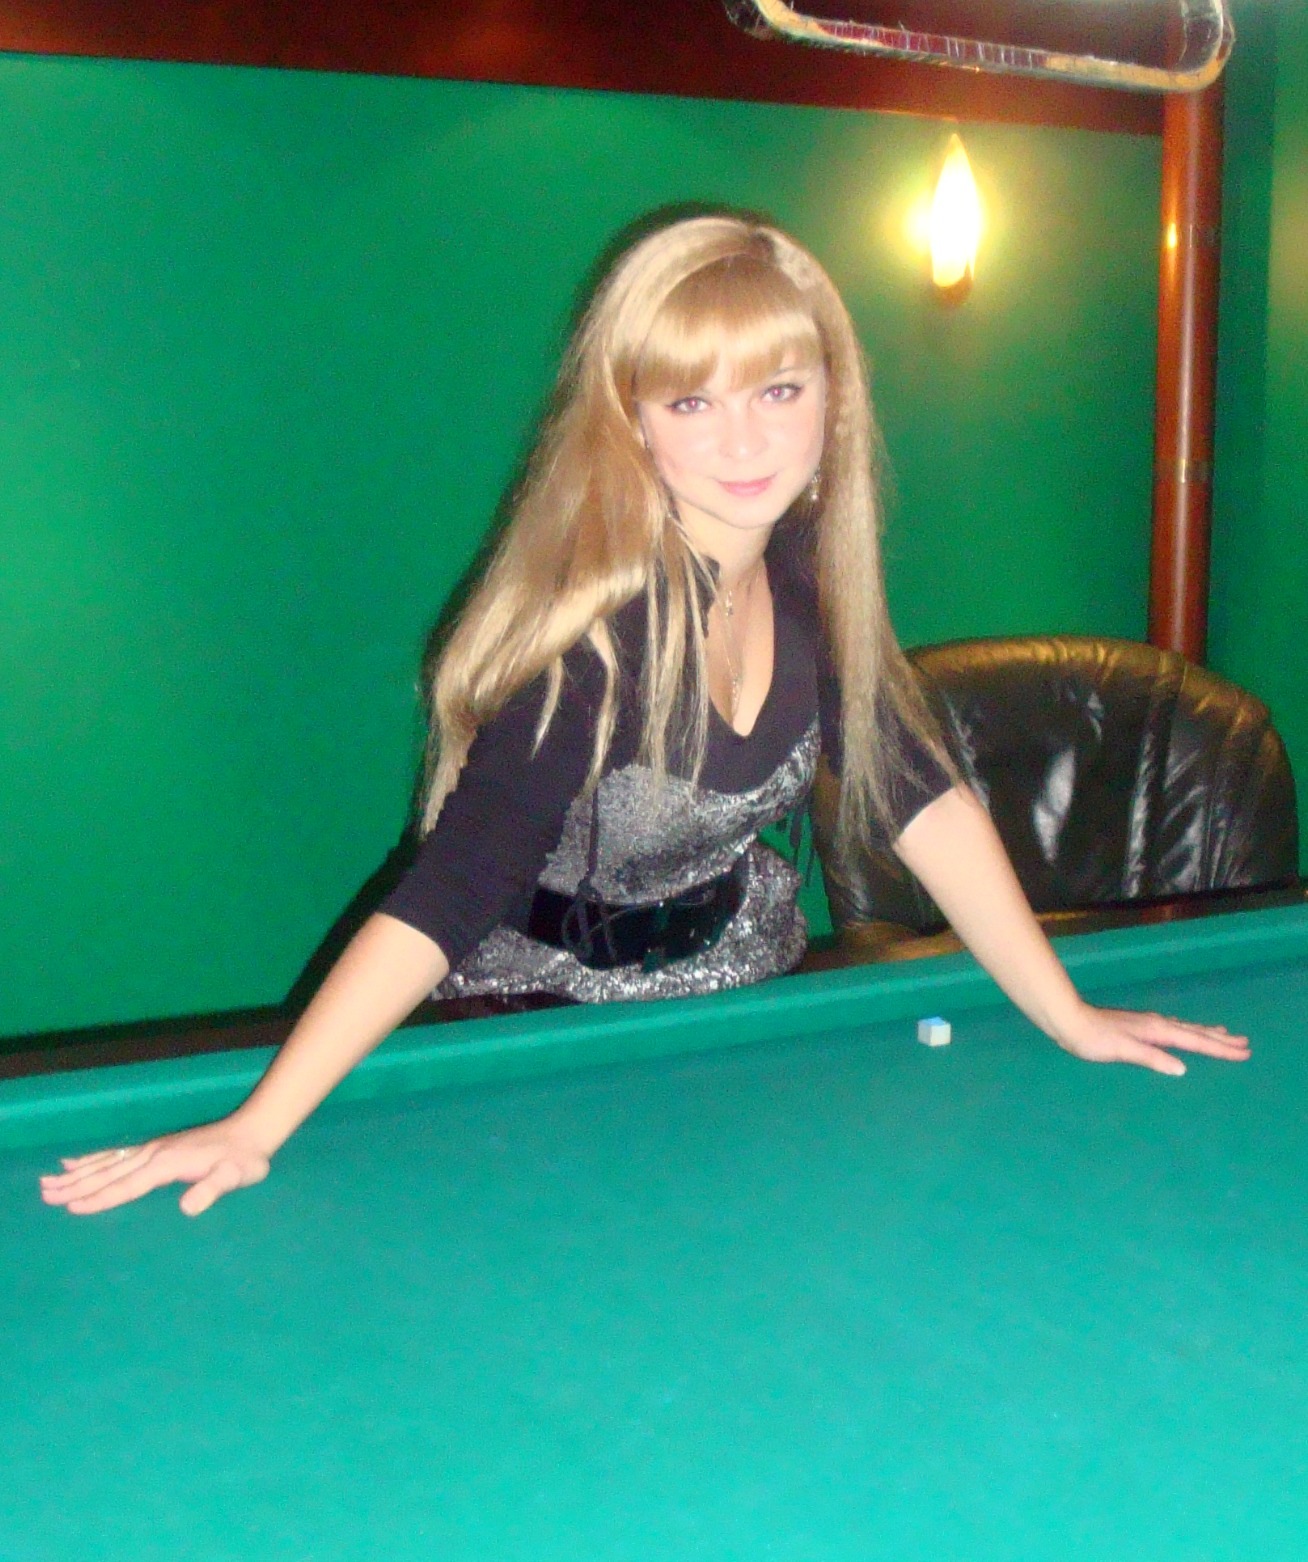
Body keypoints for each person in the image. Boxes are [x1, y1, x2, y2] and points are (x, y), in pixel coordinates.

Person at [40, 214, 1248, 1218]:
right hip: (535, 1018)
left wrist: (1067, 1013)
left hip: (738, 980)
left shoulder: (810, 579)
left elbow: (919, 795)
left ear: (834, 400)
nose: (744, 439)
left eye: (779, 388)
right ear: (631, 422)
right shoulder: (595, 642)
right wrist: (255, 1126)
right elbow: (452, 890)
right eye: (691, 403)